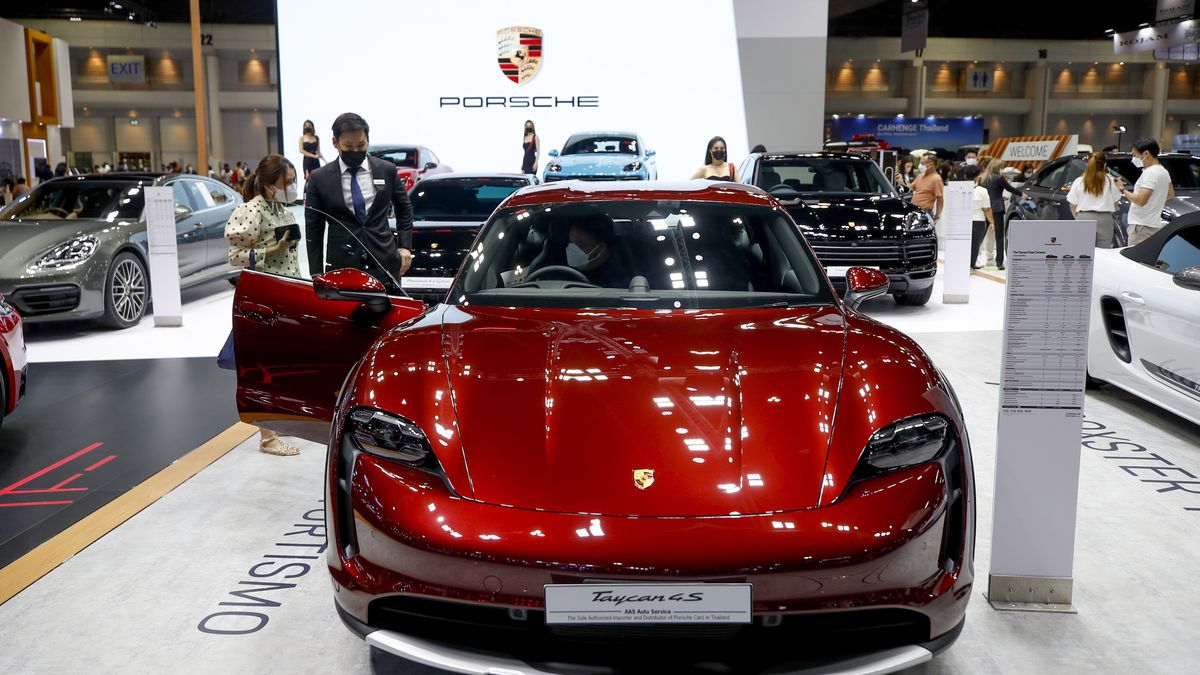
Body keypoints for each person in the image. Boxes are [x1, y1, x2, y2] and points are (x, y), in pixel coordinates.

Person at [224, 154, 302, 456]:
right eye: (287, 182)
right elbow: (235, 257)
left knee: (282, 361)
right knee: (266, 365)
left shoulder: (280, 207)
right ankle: (268, 437)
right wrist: (273, 249)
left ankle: (276, 426)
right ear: (270, 185)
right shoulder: (251, 210)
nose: (291, 187)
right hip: (264, 295)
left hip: (287, 290)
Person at [305, 112, 414, 282]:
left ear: (368, 141)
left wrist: (405, 246)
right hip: (342, 264)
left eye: (361, 144)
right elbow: (314, 227)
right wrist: (316, 271)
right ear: (335, 142)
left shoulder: (387, 170)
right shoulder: (320, 178)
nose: (355, 150)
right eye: (348, 145)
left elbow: (404, 208)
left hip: (384, 261)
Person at [1120, 138, 1174, 246]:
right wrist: (1154, 202)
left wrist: (1122, 189)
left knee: (1134, 261)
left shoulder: (1150, 173)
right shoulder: (1163, 171)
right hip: (1153, 225)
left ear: (1146, 153)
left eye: (1135, 155)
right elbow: (1170, 193)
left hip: (1142, 227)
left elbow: (1141, 201)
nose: (1133, 159)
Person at [1067, 152, 1124, 248]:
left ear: (1088, 164)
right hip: (1105, 220)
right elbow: (1116, 202)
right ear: (1105, 165)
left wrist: (1078, 218)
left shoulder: (1079, 181)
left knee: (1083, 253)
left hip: (1084, 218)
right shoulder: (1110, 181)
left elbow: (1072, 205)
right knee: (1103, 253)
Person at [979, 159, 1024, 270]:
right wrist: (1022, 194)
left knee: (981, 236)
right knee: (999, 236)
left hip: (985, 208)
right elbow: (1010, 189)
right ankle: (1000, 263)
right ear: (997, 168)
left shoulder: (983, 178)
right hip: (997, 209)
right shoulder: (999, 178)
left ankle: (973, 259)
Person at [566, 212, 630, 288]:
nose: (572, 249)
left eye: (580, 245)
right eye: (570, 242)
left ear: (601, 248)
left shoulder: (623, 279)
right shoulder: (562, 271)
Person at [965, 164, 992, 270]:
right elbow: (987, 209)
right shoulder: (982, 191)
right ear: (978, 176)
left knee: (965, 244)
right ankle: (971, 264)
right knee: (975, 245)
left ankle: (968, 263)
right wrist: (992, 222)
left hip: (963, 220)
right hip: (978, 221)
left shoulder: (959, 189)